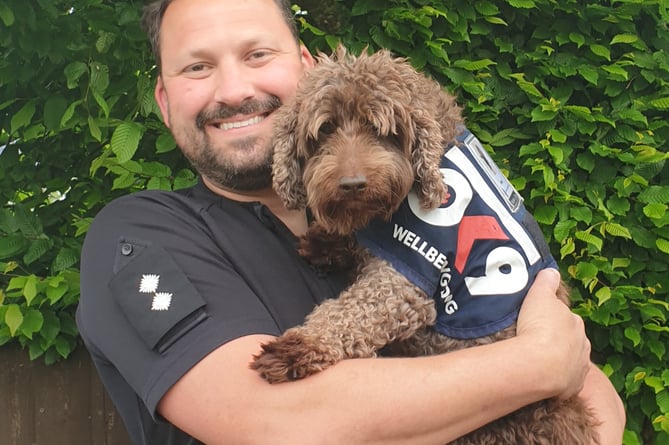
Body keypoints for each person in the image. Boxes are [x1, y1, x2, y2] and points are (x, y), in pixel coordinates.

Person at [75, 0, 625, 444]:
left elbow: (593, 397)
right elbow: (276, 424)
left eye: (258, 54)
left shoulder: (403, 212)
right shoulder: (140, 236)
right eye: (197, 66)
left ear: (312, 70)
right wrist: (534, 366)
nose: (234, 89)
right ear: (165, 101)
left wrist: (553, 364)